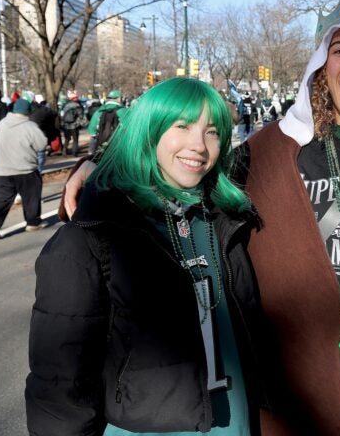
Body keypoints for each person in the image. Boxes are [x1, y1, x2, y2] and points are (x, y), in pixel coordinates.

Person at [61, 0, 340, 435]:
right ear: (320, 67)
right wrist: (101, 165)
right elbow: (178, 173)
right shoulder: (263, 155)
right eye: (339, 51)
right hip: (291, 405)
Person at [26, 78, 269, 435]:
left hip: (235, 421)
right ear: (149, 130)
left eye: (213, 132)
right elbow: (59, 383)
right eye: (182, 126)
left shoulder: (221, 215)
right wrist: (95, 170)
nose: (199, 146)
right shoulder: (94, 234)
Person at [0, 99, 48, 240]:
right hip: (25, 168)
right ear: (28, 112)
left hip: (2, 169)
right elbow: (41, 144)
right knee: (31, 196)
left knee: (2, 199)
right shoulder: (30, 126)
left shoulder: (3, 123)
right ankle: (32, 222)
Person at [87, 89, 127, 154]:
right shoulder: (123, 111)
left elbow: (92, 131)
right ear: (119, 99)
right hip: (119, 148)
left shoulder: (98, 111)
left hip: (101, 146)